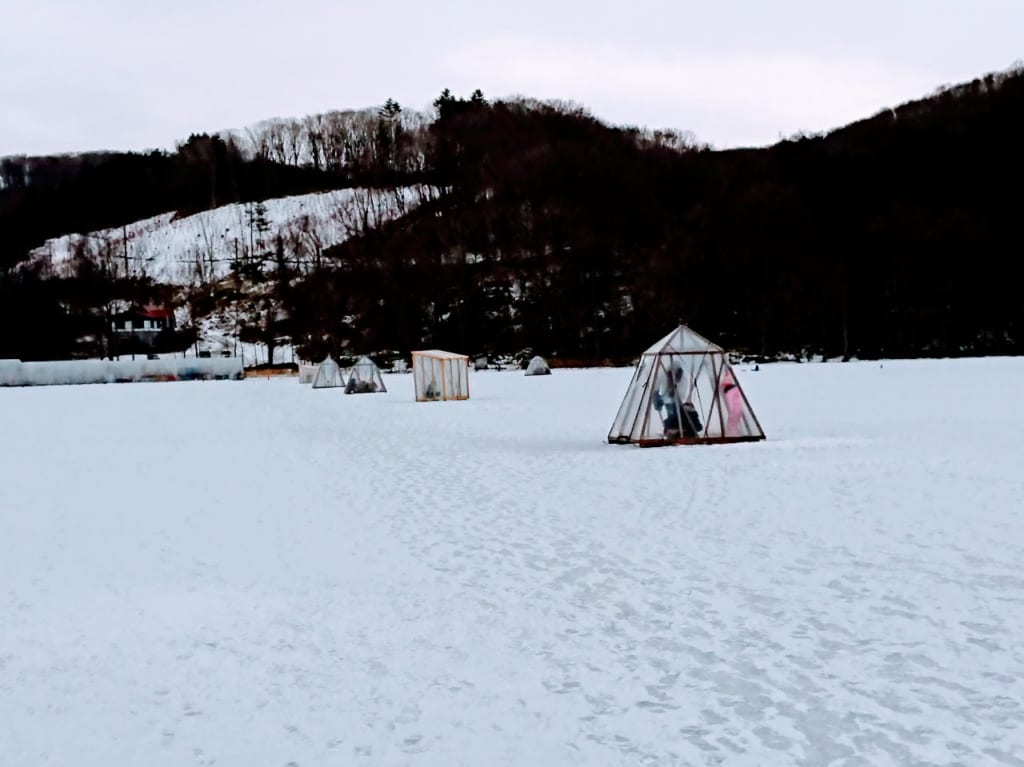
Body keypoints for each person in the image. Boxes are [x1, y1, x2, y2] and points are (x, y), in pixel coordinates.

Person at [653, 362, 702, 439]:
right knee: (672, 417)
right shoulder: (665, 376)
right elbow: (658, 386)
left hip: (676, 401)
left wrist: (673, 395)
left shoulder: (682, 378)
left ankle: (676, 432)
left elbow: (682, 392)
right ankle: (674, 432)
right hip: (668, 401)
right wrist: (658, 396)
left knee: (674, 417)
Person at [720, 368, 744, 435]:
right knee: (733, 424)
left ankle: (733, 435)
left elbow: (730, 404)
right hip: (739, 410)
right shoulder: (736, 390)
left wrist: (731, 413)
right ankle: (735, 434)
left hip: (734, 411)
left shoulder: (729, 393)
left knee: (731, 425)